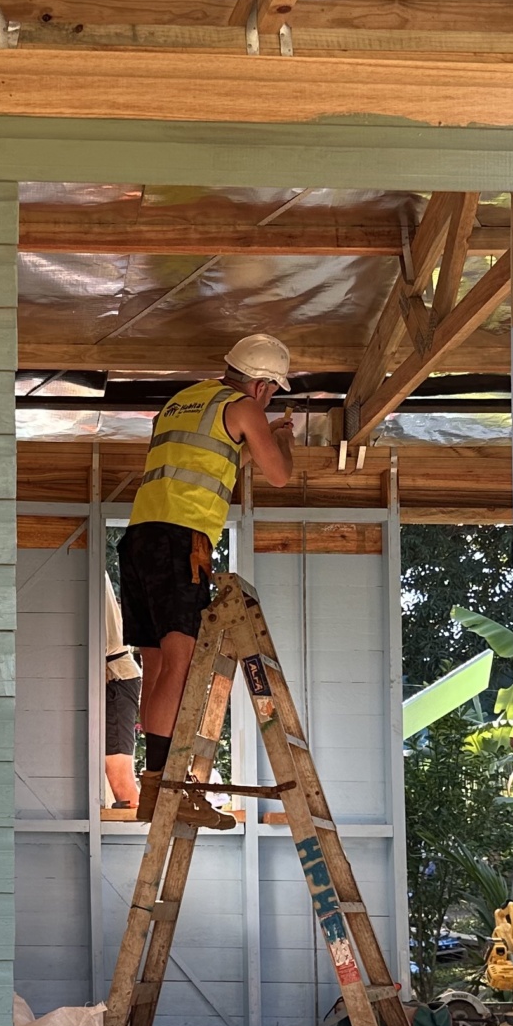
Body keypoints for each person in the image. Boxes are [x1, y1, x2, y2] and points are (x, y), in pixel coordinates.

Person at [118, 333, 295, 820]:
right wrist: (280, 439)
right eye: (273, 390)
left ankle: (154, 794)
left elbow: (205, 457)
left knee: (157, 667)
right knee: (182, 662)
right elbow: (279, 475)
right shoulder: (244, 408)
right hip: (180, 540)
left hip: (140, 539)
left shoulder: (182, 401)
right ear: (260, 386)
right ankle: (169, 793)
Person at [101, 577, 142, 814]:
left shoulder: (93, 572)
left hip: (116, 676)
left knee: (119, 774)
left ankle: (134, 833)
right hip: (116, 674)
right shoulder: (95, 571)